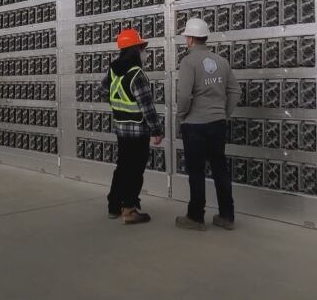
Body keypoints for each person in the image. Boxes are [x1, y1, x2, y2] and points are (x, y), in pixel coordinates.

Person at [175, 18, 240, 231]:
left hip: (195, 125)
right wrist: (224, 113)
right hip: (217, 123)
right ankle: (227, 216)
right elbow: (235, 91)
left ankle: (195, 217)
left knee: (196, 171)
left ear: (191, 38)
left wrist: (181, 116)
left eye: (186, 36)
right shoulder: (221, 61)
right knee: (220, 168)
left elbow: (184, 95)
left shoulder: (188, 62)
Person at [100, 28, 164, 224]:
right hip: (138, 131)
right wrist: (156, 130)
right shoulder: (137, 74)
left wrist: (119, 109)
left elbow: (103, 92)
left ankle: (114, 206)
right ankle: (129, 209)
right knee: (135, 170)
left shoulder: (113, 70)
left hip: (121, 129)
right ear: (134, 49)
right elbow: (147, 106)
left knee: (122, 167)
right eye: (141, 47)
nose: (144, 52)